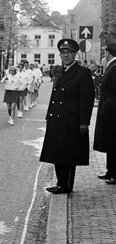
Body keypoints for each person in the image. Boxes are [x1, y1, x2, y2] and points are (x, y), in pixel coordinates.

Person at [39, 39, 95, 194]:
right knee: (57, 152)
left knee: (69, 154)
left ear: (75, 54)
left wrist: (84, 122)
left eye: (69, 53)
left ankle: (66, 185)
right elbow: (54, 96)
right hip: (57, 118)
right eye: (63, 53)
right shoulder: (60, 71)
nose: (66, 56)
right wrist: (48, 116)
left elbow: (87, 100)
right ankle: (60, 182)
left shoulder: (82, 72)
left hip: (71, 120)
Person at [93, 38, 116, 184]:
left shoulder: (114, 67)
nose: (103, 54)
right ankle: (110, 171)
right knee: (110, 142)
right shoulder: (111, 66)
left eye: (105, 51)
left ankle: (115, 173)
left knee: (113, 143)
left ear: (108, 52)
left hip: (113, 112)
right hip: (109, 111)